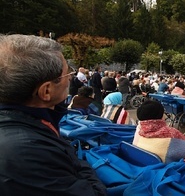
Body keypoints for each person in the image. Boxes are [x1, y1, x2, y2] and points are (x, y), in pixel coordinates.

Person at [0, 34, 106, 195]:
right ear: (46, 91)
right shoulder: (28, 152)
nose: (71, 78)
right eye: (67, 74)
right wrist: (79, 164)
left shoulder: (28, 127)